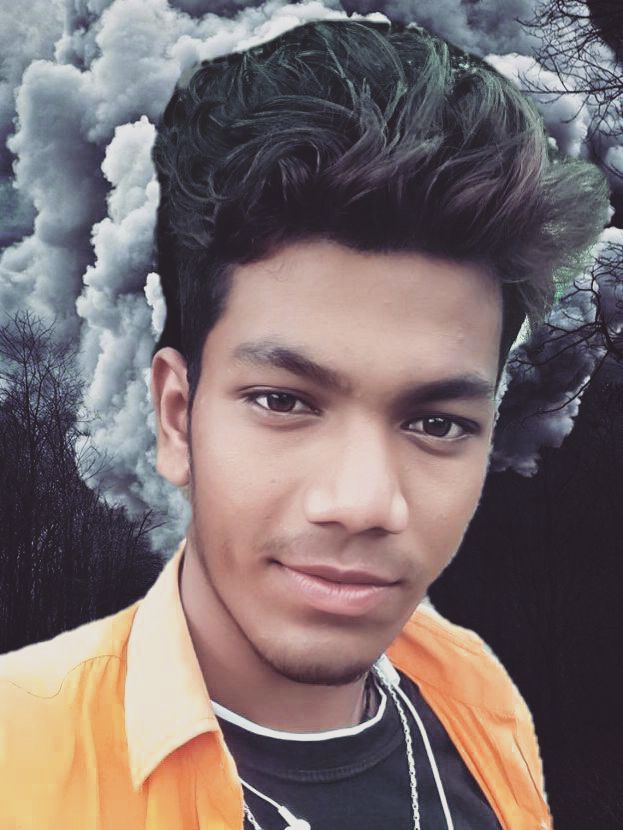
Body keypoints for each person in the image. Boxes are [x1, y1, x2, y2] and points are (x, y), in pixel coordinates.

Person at [0, 16, 609, 830]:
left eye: (436, 422)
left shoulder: (477, 700)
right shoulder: (19, 762)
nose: (361, 503)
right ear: (175, 418)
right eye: (283, 401)